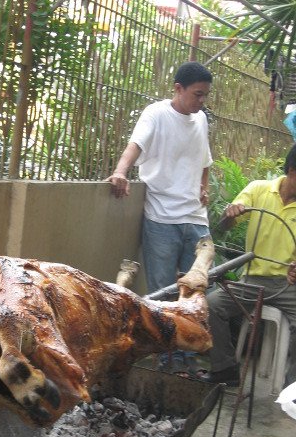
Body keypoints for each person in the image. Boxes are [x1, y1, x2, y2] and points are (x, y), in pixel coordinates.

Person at [107, 61, 213, 374]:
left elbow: (205, 159)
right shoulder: (156, 114)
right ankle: (166, 358)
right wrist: (120, 172)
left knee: (196, 292)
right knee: (164, 292)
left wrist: (204, 187)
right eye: (197, 94)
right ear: (177, 89)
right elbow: (135, 146)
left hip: (196, 217)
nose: (201, 101)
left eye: (205, 95)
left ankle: (188, 356)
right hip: (161, 218)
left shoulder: (201, 119)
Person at [198, 143, 296, 387]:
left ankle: (292, 386)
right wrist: (230, 214)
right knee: (212, 305)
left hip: (288, 283)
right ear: (292, 171)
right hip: (252, 281)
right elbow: (223, 227)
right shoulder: (259, 190)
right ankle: (226, 368)